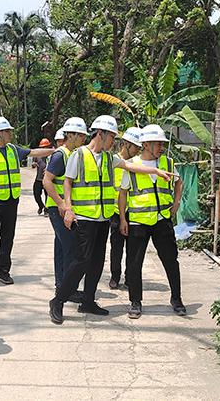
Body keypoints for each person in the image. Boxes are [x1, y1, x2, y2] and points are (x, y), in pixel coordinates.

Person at [48, 115, 172, 324]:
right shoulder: (79, 155)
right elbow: (67, 182)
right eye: (112, 137)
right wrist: (67, 208)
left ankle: (88, 301)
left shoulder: (108, 158)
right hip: (84, 219)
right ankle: (58, 300)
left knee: (96, 262)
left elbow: (131, 167)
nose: (114, 141)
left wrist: (155, 170)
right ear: (100, 134)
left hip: (102, 219)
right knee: (80, 262)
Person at [0, 117, 55, 289]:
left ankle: (3, 271)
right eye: (8, 131)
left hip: (12, 201)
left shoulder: (13, 149)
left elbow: (33, 152)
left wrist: (55, 150)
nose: (11, 134)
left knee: (7, 238)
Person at [118, 124, 186, 319]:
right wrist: (122, 219)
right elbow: (123, 193)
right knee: (134, 263)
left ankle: (176, 299)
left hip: (162, 219)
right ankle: (135, 302)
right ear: (146, 144)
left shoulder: (168, 163)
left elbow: (178, 182)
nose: (161, 147)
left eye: (162, 144)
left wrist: (176, 203)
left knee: (170, 260)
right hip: (138, 221)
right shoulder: (132, 165)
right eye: (158, 144)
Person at [43, 118, 89, 303]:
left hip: (64, 209)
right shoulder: (60, 155)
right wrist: (61, 203)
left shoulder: (73, 154)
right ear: (71, 135)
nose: (84, 139)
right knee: (71, 249)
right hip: (58, 209)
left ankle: (62, 286)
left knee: (61, 248)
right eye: (81, 136)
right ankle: (68, 290)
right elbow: (47, 181)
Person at [108, 127, 142, 289]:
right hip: (115, 212)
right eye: (136, 146)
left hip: (134, 212)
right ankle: (115, 276)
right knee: (116, 247)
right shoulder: (113, 161)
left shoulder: (137, 163)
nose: (138, 150)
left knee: (132, 248)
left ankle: (130, 277)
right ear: (127, 144)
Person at [32, 138, 52, 216]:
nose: (44, 149)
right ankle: (41, 206)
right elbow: (33, 164)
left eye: (46, 147)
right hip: (39, 178)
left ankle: (46, 210)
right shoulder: (37, 155)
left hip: (48, 179)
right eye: (42, 147)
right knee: (36, 194)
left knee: (48, 195)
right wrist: (34, 164)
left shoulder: (51, 156)